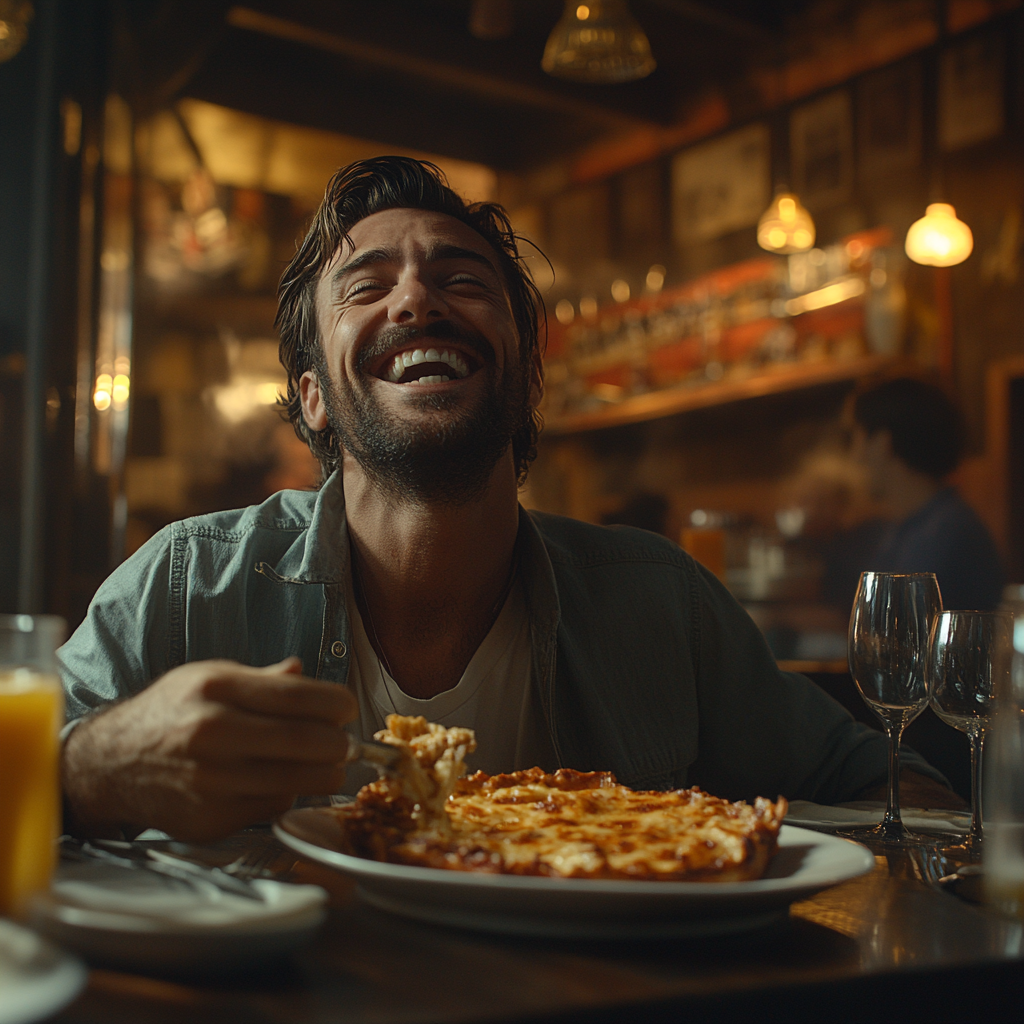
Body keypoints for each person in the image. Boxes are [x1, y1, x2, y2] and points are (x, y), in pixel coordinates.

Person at [58, 158, 957, 842]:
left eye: (462, 280)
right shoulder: (186, 586)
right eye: (368, 285)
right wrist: (93, 767)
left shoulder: (662, 605)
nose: (417, 299)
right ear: (312, 397)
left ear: (527, 376)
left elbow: (895, 787)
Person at [850, 377, 1005, 611]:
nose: (855, 456)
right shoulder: (917, 524)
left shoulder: (942, 532)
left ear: (883, 444)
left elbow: (894, 633)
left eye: (856, 437)